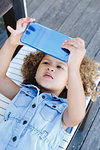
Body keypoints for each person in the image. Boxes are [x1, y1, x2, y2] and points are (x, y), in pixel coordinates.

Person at [0, 17, 99, 150]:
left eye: (60, 67)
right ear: (35, 71)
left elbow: (77, 116)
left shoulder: (63, 112)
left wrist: (74, 67)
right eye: (46, 62)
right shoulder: (21, 93)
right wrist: (12, 42)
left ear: (69, 82)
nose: (51, 68)